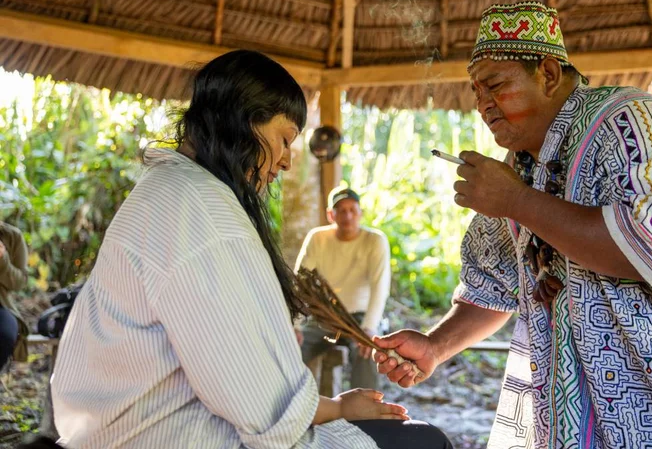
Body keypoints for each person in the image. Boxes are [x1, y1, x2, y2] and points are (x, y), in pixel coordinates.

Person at [373, 1, 652, 448]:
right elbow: (493, 284)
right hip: (587, 408)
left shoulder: (634, 122)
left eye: (495, 85)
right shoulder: (520, 164)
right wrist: (435, 347)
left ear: (549, 74)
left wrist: (516, 200)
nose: (482, 104)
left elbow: (643, 247)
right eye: (476, 90)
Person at [50, 50, 453, 449]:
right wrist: (338, 407)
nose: (286, 162)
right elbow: (261, 407)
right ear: (243, 121)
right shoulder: (203, 213)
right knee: (427, 442)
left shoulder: (169, 189)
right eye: (282, 140)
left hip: (114, 430)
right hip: (170, 436)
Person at [296, 187, 391, 391]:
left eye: (352, 210)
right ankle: (295, 408)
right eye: (341, 210)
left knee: (367, 352)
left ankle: (366, 413)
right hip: (323, 318)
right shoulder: (317, 238)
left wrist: (369, 327)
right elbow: (299, 283)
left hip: (359, 319)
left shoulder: (375, 240)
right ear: (331, 215)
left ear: (360, 213)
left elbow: (379, 287)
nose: (347, 216)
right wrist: (294, 325)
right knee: (292, 349)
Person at [0, 221, 29, 369]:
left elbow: (20, 283)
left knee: (5, 335)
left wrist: (3, 259)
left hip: (2, 306)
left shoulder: (13, 236)